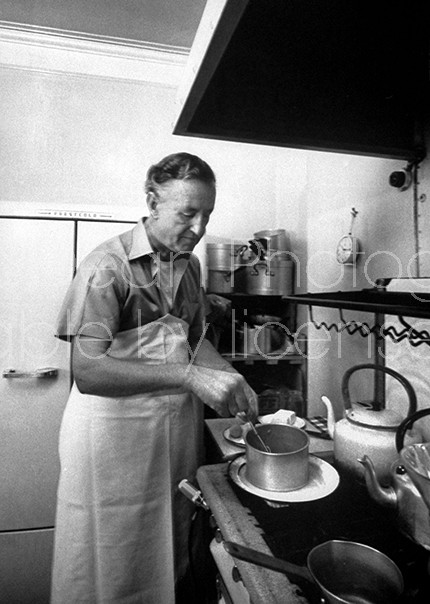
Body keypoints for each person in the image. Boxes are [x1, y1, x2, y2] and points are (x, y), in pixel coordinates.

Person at [50, 152, 258, 604]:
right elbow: (88, 370)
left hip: (170, 435)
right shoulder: (109, 266)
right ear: (152, 201)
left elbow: (191, 339)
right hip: (112, 436)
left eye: (207, 214)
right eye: (188, 213)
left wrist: (230, 377)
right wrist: (188, 377)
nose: (200, 228)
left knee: (166, 548)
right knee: (111, 556)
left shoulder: (190, 266)